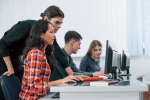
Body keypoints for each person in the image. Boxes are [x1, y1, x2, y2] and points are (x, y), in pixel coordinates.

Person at [0, 5, 73, 99]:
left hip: (16, 57)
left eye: (61, 23)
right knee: (6, 89)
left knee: (21, 87)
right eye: (57, 22)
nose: (59, 26)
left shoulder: (41, 49)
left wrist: (72, 76)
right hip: (4, 55)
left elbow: (59, 54)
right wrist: (10, 68)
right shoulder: (28, 28)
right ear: (46, 19)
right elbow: (2, 43)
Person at [18, 20, 80, 100]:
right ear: (41, 34)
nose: (54, 35)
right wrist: (61, 81)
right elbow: (34, 87)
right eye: (51, 32)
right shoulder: (35, 54)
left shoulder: (42, 53)